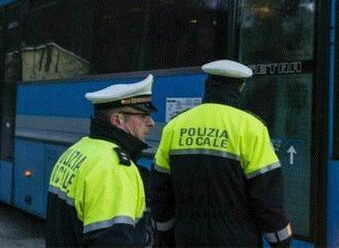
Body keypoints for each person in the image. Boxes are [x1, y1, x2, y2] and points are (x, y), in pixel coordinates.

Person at [151, 59, 292, 247]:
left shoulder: (175, 126)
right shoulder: (252, 128)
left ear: (207, 85)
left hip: (187, 239)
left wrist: (166, 237)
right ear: (240, 87)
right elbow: (267, 199)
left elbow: (161, 194)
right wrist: (281, 241)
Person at [46, 75, 156, 247]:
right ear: (118, 120)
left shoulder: (78, 150)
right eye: (143, 115)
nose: (151, 123)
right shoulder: (114, 168)